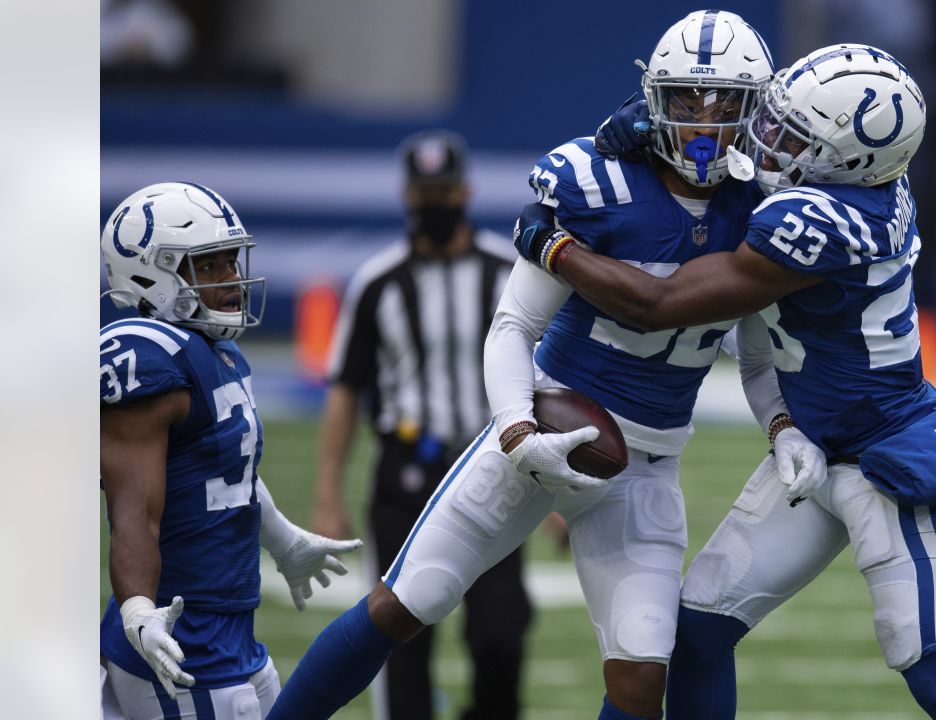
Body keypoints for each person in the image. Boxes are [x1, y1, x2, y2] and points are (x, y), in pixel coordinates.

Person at [264, 11, 822, 720]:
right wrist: (518, 432)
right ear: (655, 99)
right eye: (687, 99)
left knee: (642, 675)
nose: (705, 123)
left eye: (726, 105)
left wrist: (783, 426)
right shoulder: (598, 181)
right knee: (409, 602)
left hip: (644, 465)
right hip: (545, 420)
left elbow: (759, 354)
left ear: (755, 111)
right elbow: (512, 327)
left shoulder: (765, 210)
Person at [513, 45, 936, 719]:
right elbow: (729, 149)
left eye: (790, 136)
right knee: (697, 635)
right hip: (807, 451)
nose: (767, 140)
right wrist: (646, 123)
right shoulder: (850, 177)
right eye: (775, 121)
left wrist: (554, 246)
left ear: (848, 161)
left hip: (884, 464)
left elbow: (659, 302)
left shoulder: (831, 222)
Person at [99, 182, 362, 718]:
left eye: (230, 261)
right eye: (209, 265)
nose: (232, 279)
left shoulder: (215, 353)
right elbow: (134, 512)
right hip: (179, 637)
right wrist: (140, 611)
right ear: (151, 274)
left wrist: (284, 541)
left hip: (231, 633)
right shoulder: (149, 358)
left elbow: (226, 470)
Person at [312, 129, 531, 720]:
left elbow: (544, 376)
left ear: (465, 190)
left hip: (494, 469)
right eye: (424, 192)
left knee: (500, 632)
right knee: (400, 639)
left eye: (444, 190)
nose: (435, 203)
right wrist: (328, 495)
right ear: (407, 196)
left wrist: (554, 490)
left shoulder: (508, 272)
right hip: (406, 470)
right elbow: (345, 390)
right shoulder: (379, 280)